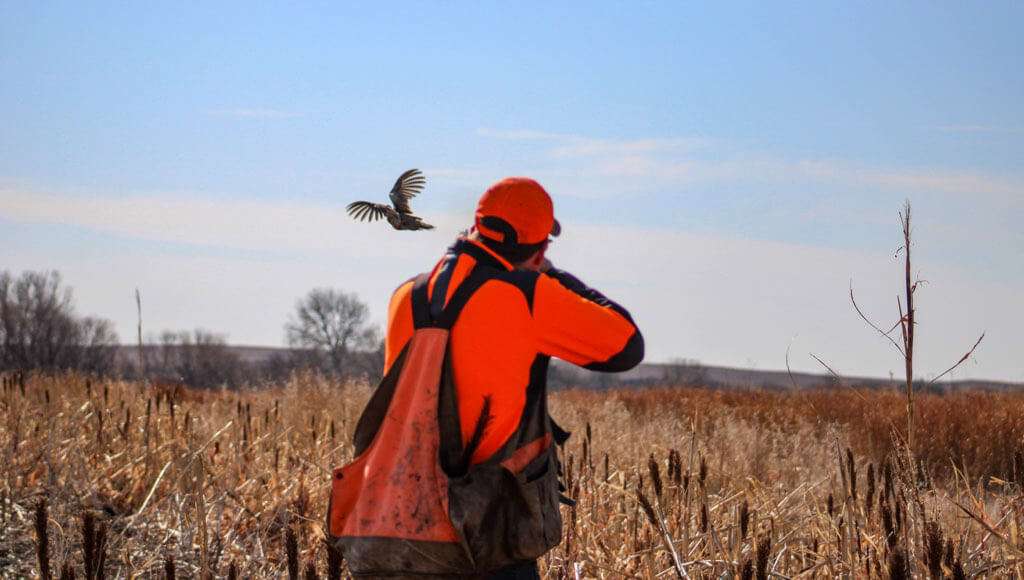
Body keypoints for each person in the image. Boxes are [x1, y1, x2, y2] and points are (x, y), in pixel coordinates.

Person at [382, 176, 644, 578]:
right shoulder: (526, 294)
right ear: (538, 249)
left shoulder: (407, 296)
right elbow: (626, 345)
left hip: (400, 527)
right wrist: (549, 276)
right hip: (489, 535)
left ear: (476, 227)